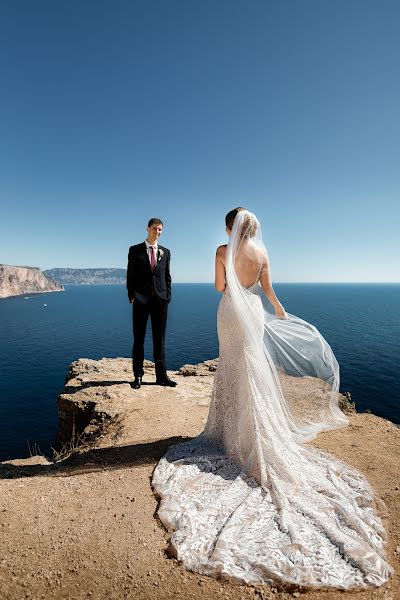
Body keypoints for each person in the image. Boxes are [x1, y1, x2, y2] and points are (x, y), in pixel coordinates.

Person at [152, 208, 392, 589]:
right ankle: (256, 433)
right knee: (252, 369)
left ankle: (229, 434)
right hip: (253, 312)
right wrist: (279, 310)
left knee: (232, 368)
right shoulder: (262, 255)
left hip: (231, 311)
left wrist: (229, 272)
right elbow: (267, 292)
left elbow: (219, 288)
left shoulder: (220, 250)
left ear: (230, 228)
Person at [127, 217, 177, 389]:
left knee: (159, 340)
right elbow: (130, 276)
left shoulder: (166, 252)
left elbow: (167, 277)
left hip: (160, 302)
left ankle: (161, 376)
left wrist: (167, 297)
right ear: (147, 229)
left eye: (160, 229)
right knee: (138, 340)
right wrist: (132, 296)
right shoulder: (135, 250)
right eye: (155, 228)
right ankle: (138, 376)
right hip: (140, 301)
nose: (157, 232)